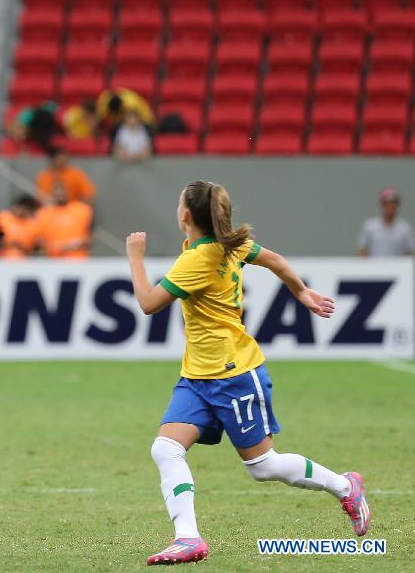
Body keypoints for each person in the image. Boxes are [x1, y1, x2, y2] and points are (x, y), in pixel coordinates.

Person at [125, 181, 370, 565]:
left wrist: (135, 257)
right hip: (197, 376)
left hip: (234, 373)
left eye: (178, 204)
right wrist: (300, 291)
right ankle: (188, 538)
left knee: (262, 466)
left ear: (186, 215)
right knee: (166, 447)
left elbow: (147, 303)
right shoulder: (227, 245)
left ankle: (345, 486)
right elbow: (275, 261)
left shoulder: (198, 258)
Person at [35, 183, 93, 259]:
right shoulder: (43, 214)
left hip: (78, 259)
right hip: (54, 260)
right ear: (52, 195)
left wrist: (79, 243)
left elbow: (91, 234)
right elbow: (39, 240)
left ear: (68, 193)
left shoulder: (82, 210)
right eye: (57, 195)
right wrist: (53, 247)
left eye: (62, 194)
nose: (60, 197)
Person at [356, 187, 414, 257]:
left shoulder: (405, 228)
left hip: (397, 267)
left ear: (398, 206)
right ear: (381, 205)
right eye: (386, 203)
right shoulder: (369, 226)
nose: (390, 207)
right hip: (374, 266)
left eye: (393, 203)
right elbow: (362, 250)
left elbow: (409, 252)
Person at [0, 194, 40, 259]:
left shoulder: (32, 223)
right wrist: (4, 244)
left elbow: (37, 246)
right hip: (1, 260)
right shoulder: (0, 218)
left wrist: (23, 247)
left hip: (25, 261)